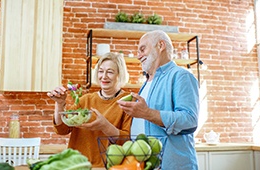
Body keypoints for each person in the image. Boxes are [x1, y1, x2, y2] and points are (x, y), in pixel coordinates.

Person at [117, 30, 200, 170]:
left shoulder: (181, 76)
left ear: (161, 45)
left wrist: (146, 113)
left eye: (142, 49)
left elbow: (190, 120)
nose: (138, 56)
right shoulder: (147, 82)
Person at [47, 52, 132, 167]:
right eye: (101, 71)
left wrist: (105, 126)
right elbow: (62, 129)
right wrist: (60, 104)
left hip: (106, 167)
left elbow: (127, 141)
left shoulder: (128, 102)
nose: (104, 76)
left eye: (110, 72)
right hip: (76, 165)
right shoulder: (85, 100)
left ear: (120, 75)